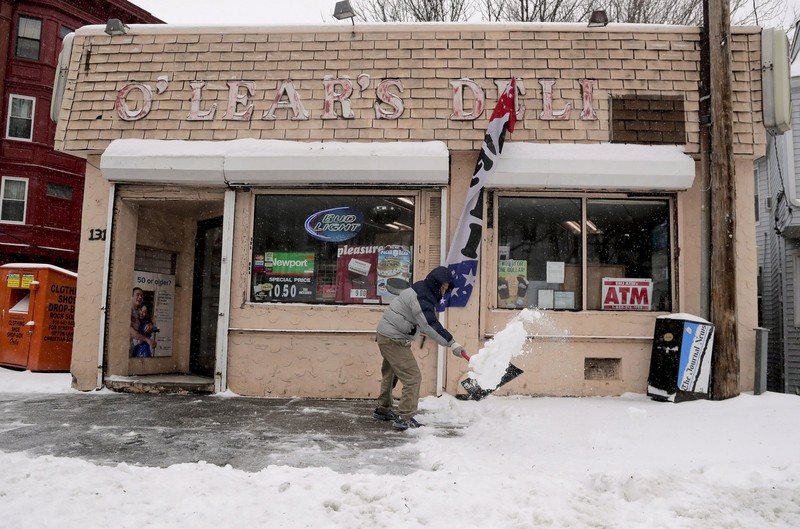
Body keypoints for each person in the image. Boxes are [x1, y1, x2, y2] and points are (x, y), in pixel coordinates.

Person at [374, 266, 466, 430]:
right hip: (394, 339)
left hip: (386, 335)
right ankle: (405, 417)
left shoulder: (422, 289)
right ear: (436, 284)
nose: (444, 293)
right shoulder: (421, 296)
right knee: (412, 377)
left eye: (446, 289)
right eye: (443, 288)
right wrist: (452, 343)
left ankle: (383, 409)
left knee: (390, 373)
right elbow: (429, 324)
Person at [130, 287, 156, 357]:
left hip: (133, 349)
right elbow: (130, 330)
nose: (140, 297)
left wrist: (151, 324)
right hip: (125, 348)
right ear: (131, 296)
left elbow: (152, 320)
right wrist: (147, 339)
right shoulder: (127, 310)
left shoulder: (138, 311)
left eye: (141, 296)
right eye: (137, 295)